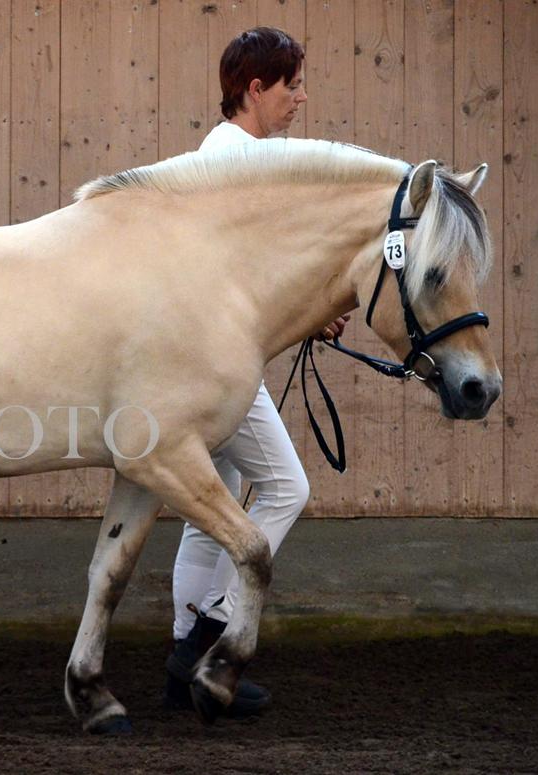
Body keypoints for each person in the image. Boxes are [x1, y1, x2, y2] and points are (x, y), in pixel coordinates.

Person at [164, 26, 349, 717]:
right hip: (214, 363)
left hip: (210, 359)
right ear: (255, 90)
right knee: (287, 487)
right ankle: (210, 637)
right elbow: (238, 282)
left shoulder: (226, 156)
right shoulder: (237, 162)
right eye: (291, 85)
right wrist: (309, 313)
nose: (300, 98)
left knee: (213, 507)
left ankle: (183, 663)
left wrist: (306, 313)